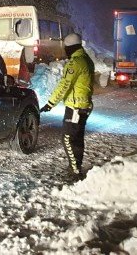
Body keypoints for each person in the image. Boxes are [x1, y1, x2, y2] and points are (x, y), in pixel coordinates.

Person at [40, 33, 94, 181]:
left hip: (75, 107)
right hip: (84, 105)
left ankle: (75, 170)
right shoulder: (86, 59)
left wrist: (50, 103)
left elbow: (64, 84)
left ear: (70, 47)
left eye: (66, 48)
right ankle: (77, 166)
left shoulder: (75, 62)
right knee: (77, 138)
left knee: (68, 138)